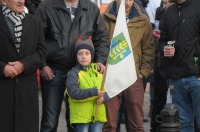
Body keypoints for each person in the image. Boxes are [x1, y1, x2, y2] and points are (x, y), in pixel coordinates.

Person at [35, 0, 110, 131]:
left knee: (78, 121)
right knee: (50, 120)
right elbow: (37, 39)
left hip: (83, 73)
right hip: (53, 70)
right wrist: (43, 65)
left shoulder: (91, 8)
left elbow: (101, 38)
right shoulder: (46, 8)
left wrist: (99, 60)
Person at [102, 0, 155, 131]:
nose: (127, 3)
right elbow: (99, 44)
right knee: (109, 125)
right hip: (110, 77)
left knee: (136, 125)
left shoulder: (143, 20)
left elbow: (149, 49)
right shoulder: (103, 19)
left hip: (134, 76)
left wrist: (143, 73)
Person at [0, 0, 47, 131]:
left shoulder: (35, 22)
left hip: (26, 96)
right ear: (3, 1)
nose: (21, 1)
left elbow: (42, 53)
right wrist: (3, 68)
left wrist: (23, 65)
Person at [159, 0, 200, 131]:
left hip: (196, 76)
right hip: (175, 78)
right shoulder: (168, 12)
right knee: (184, 123)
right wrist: (164, 48)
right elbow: (162, 40)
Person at [66, 37, 109, 132]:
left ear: (92, 55)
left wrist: (103, 98)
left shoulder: (98, 72)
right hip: (81, 117)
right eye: (80, 54)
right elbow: (74, 93)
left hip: (98, 114)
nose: (83, 56)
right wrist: (94, 92)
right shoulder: (73, 73)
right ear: (76, 56)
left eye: (87, 53)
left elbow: (106, 91)